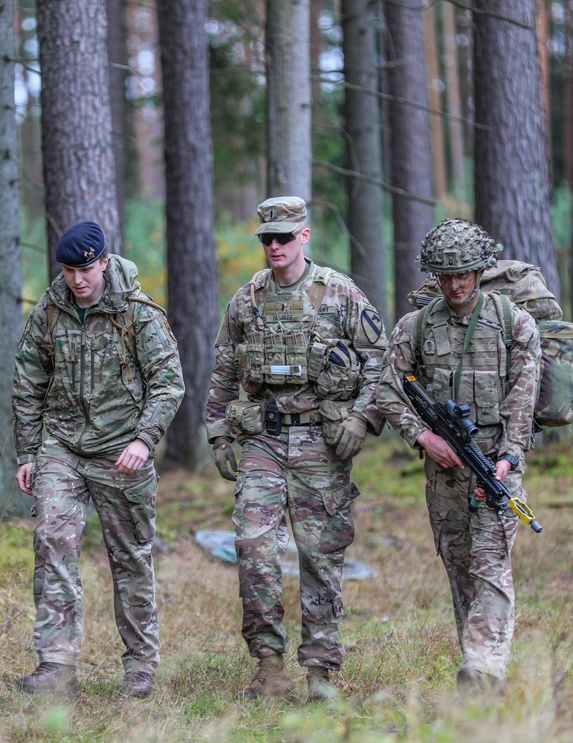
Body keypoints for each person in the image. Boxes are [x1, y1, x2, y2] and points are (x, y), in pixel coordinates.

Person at [205, 196, 386, 701]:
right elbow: (223, 371)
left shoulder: (339, 294)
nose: (275, 246)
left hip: (321, 445)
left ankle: (320, 672)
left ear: (305, 236)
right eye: (267, 238)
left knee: (320, 554)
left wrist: (363, 417)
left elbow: (381, 363)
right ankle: (268, 666)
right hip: (263, 439)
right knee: (253, 547)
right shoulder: (246, 300)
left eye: (284, 237)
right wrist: (219, 432)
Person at [12, 221, 185, 698]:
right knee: (51, 543)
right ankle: (56, 665)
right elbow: (28, 381)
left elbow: (169, 384)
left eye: (85, 269)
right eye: (69, 271)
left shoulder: (137, 313)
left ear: (104, 263)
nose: (77, 280)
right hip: (63, 447)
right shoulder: (50, 311)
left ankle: (140, 666)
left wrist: (144, 440)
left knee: (129, 558)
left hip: (121, 450)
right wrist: (28, 452)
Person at [376, 218, 540, 693]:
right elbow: (388, 390)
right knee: (461, 569)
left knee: (490, 566)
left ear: (480, 270)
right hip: (443, 471)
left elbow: (522, 398)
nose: (454, 283)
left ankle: (483, 666)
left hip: (495, 465)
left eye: (463, 273)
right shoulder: (417, 325)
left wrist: (508, 458)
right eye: (445, 275)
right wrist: (423, 438)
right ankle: (479, 669)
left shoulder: (514, 322)